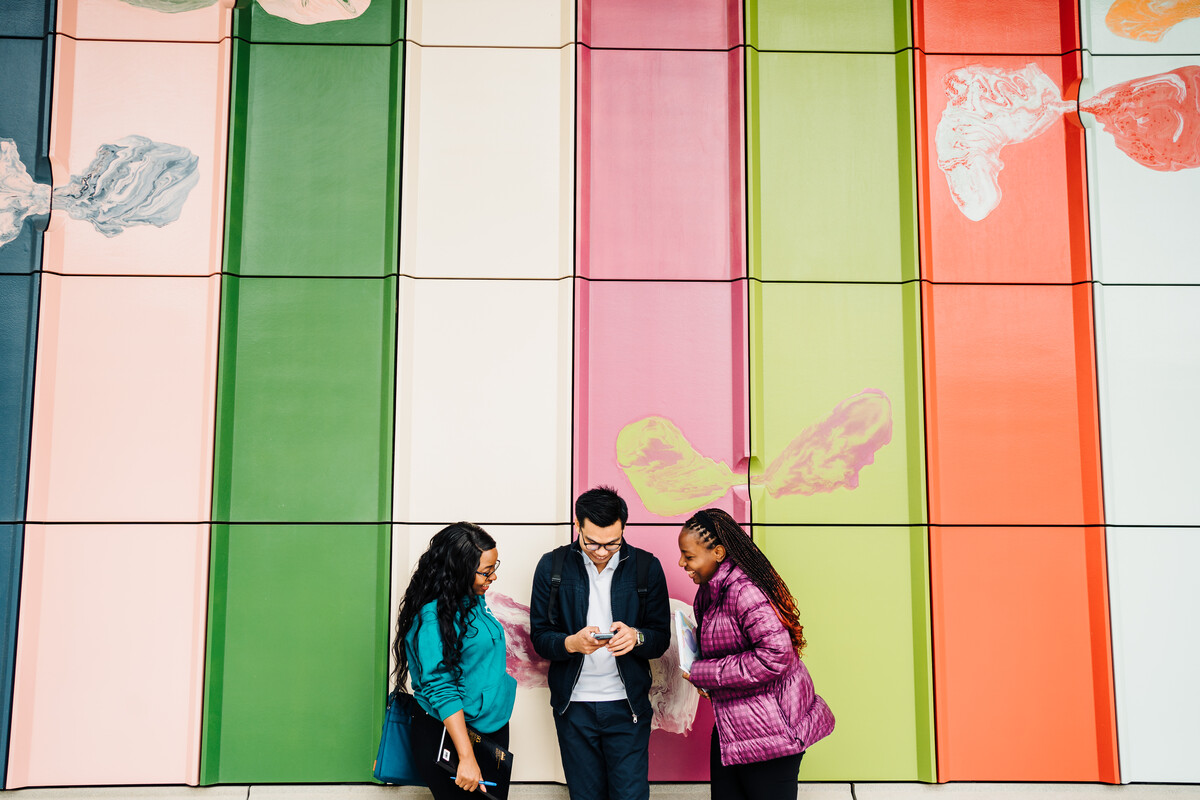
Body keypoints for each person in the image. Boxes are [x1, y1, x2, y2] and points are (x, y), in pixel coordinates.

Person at [677, 508, 834, 800]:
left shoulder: (744, 591)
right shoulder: (710, 591)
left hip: (771, 733)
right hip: (735, 724)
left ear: (719, 553)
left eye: (689, 556)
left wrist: (704, 672)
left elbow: (775, 656)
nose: (681, 563)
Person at [529, 487, 671, 800]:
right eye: (592, 542)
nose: (602, 551)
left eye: (612, 543)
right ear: (577, 526)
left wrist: (637, 637)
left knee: (630, 796)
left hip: (627, 706)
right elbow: (540, 636)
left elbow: (659, 637)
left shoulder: (646, 567)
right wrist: (571, 643)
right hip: (573, 707)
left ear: (623, 528)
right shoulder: (552, 567)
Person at [392, 522, 517, 797]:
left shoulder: (473, 600)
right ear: (458, 572)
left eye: (494, 568)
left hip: (488, 729)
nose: (493, 577)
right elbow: (441, 689)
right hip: (454, 735)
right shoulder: (432, 619)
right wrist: (467, 757)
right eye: (486, 572)